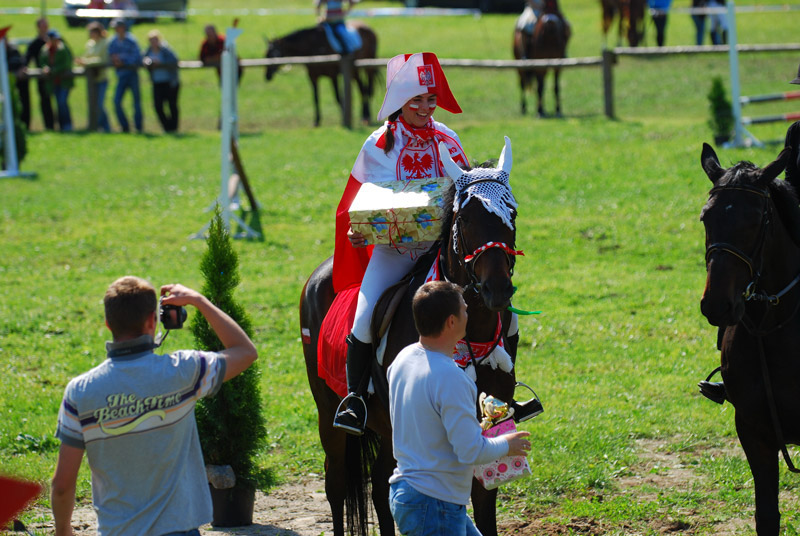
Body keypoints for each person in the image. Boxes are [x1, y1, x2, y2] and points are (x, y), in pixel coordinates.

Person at [51, 276, 258, 536]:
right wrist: (199, 301)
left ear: (107, 323)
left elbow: (62, 484)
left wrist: (63, 531)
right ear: (152, 321)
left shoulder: (80, 391)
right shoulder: (184, 372)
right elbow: (245, 351)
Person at [331, 52, 470, 435]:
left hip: (440, 252)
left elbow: (466, 193)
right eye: (416, 101)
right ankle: (356, 400)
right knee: (362, 319)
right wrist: (356, 231)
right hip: (395, 253)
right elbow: (356, 205)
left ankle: (501, 393)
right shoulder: (378, 145)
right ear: (399, 102)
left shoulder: (449, 139)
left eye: (430, 100)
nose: (426, 108)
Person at [387, 281, 531, 536]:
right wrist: (508, 445)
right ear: (451, 322)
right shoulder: (453, 378)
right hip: (434, 505)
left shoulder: (402, 359)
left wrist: (470, 427)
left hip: (411, 492)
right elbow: (470, 452)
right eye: (465, 310)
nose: (469, 314)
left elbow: (427, 421)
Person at [108, 18, 143, 133]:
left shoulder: (131, 40)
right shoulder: (113, 41)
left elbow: (137, 57)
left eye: (117, 27)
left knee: (136, 102)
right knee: (116, 101)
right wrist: (115, 61)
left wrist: (123, 61)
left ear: (123, 27)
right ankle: (125, 126)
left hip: (132, 75)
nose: (115, 30)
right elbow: (110, 55)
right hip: (121, 75)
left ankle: (139, 127)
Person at [19, 18, 55, 130]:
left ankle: (55, 125)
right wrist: (24, 66)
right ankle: (48, 125)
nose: (44, 28)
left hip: (56, 75)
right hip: (42, 76)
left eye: (46, 25)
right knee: (44, 99)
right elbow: (27, 56)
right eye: (42, 26)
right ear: (38, 27)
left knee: (57, 101)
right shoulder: (35, 43)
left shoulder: (55, 39)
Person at [75, 22, 111, 132]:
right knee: (94, 105)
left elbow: (102, 60)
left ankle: (105, 127)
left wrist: (86, 62)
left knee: (100, 104)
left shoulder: (105, 43)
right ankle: (98, 127)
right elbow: (86, 57)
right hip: (92, 79)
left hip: (102, 78)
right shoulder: (90, 44)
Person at [143, 29, 180, 133]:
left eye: (155, 40)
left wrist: (161, 62)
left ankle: (174, 128)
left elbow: (174, 60)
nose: (153, 42)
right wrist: (148, 62)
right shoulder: (148, 51)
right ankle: (166, 127)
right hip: (157, 82)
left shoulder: (165, 50)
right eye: (151, 40)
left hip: (169, 82)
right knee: (158, 106)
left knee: (172, 105)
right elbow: (143, 58)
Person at [39, 29, 74, 132]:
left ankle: (67, 125)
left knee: (62, 102)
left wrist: (52, 71)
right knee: (58, 104)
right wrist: (45, 68)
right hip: (53, 82)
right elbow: (42, 62)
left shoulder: (63, 49)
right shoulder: (44, 50)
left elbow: (66, 64)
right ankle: (61, 126)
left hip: (64, 81)